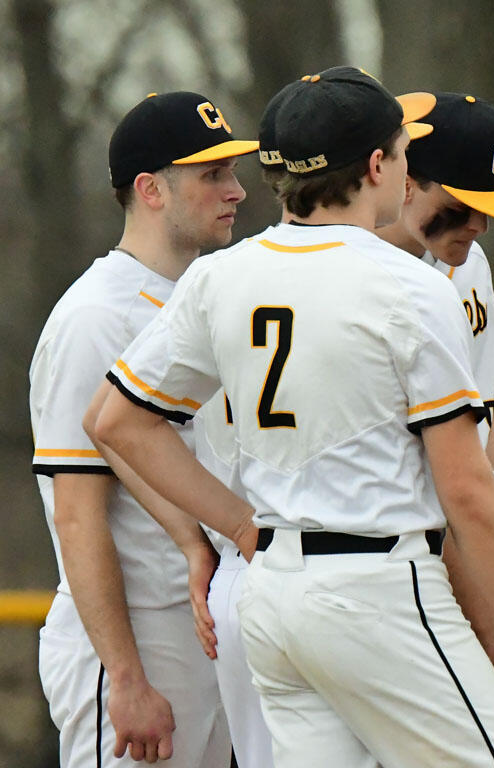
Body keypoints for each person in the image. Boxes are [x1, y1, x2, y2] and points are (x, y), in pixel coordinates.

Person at [89, 67, 494, 768]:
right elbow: (466, 488)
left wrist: (240, 526)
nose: (405, 167)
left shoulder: (221, 276)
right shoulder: (411, 287)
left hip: (274, 598)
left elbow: (117, 421)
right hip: (379, 590)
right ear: (376, 165)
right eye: (402, 152)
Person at [30, 90, 256, 765]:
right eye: (212, 174)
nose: (237, 190)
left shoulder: (208, 298)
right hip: (136, 637)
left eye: (232, 171)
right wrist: (125, 677)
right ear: (151, 190)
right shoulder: (95, 316)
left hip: (210, 623)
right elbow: (76, 514)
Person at [375, 91, 494, 579]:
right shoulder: (345, 270)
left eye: (488, 206)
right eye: (461, 205)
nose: (479, 225)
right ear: (405, 182)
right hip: (377, 547)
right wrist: (482, 554)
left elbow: (477, 414)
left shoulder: (470, 264)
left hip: (452, 532)